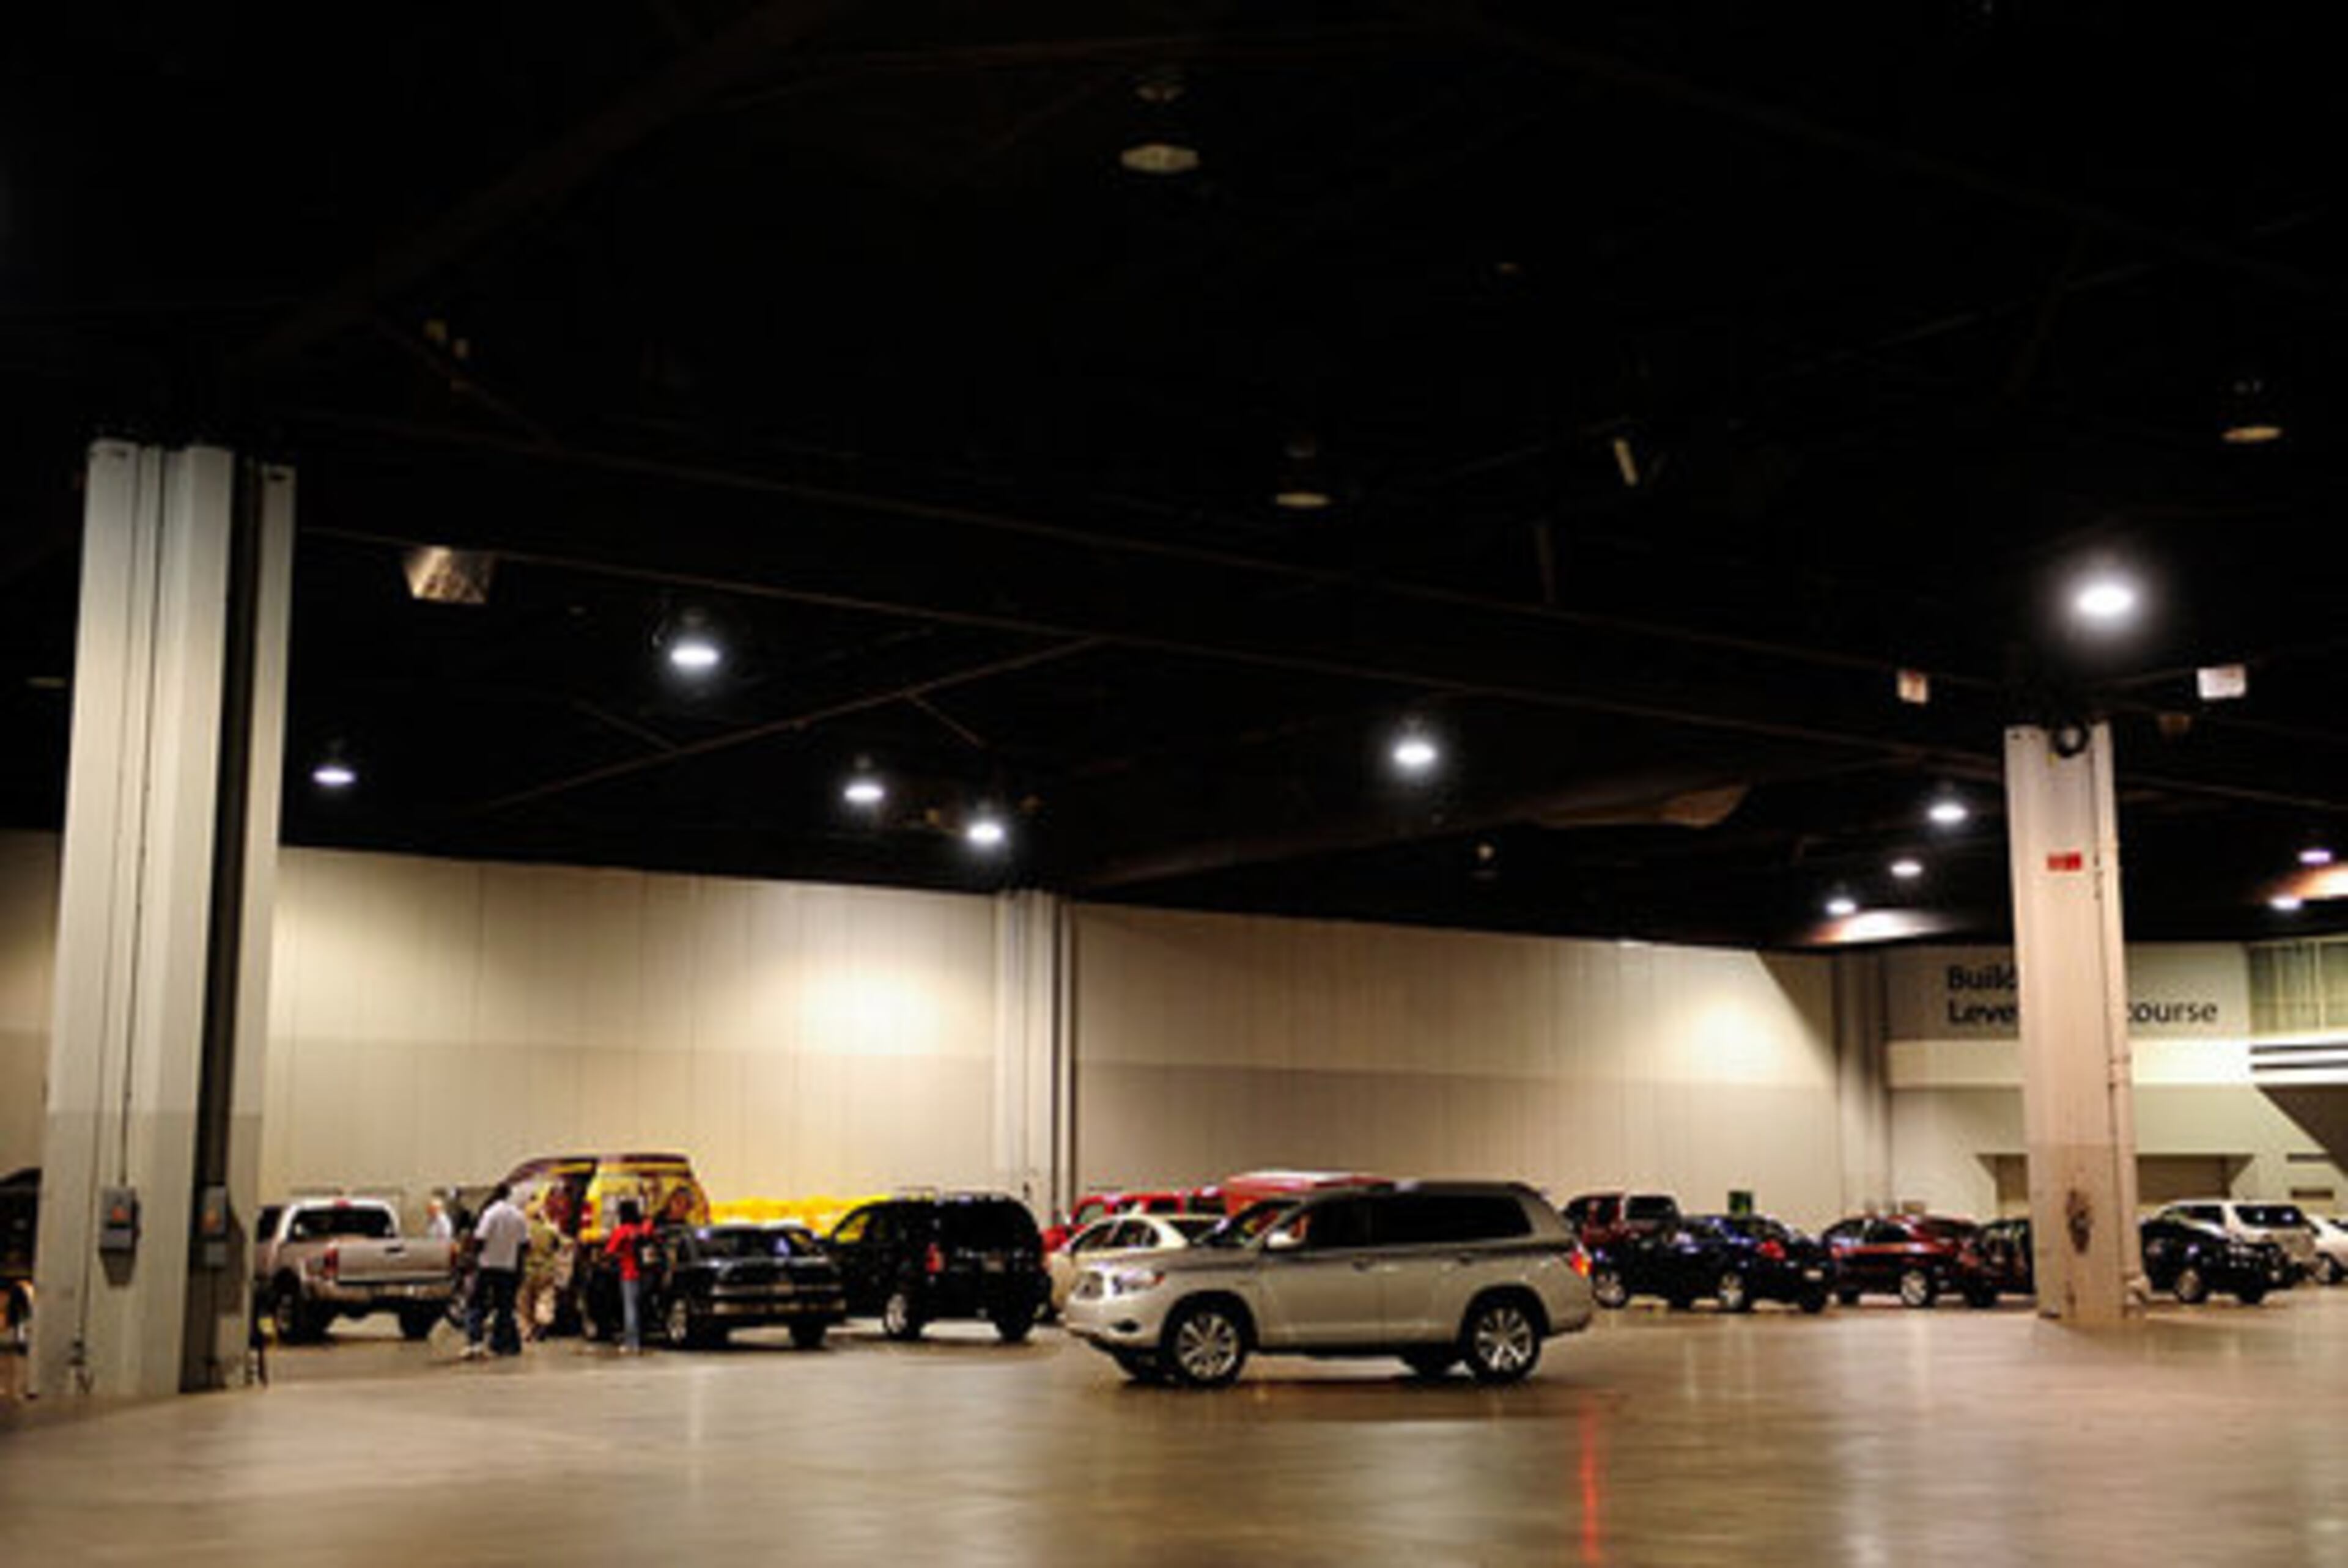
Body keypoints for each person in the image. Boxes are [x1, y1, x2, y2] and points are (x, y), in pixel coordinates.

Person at [467, 1183, 530, 1360]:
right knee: (505, 1307)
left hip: (487, 1266)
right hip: (508, 1268)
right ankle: (503, 1344)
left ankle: (476, 1342)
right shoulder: (519, 1216)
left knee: (476, 1304)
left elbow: (480, 1239)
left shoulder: (491, 1213)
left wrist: (473, 1259)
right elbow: (525, 1244)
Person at [603, 1198, 656, 1354]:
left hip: (628, 1272)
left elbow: (609, 1252)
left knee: (630, 1308)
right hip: (646, 1273)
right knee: (640, 1307)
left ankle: (631, 1343)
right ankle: (640, 1340)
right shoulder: (642, 1229)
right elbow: (650, 1229)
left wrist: (619, 1255)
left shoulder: (622, 1231)